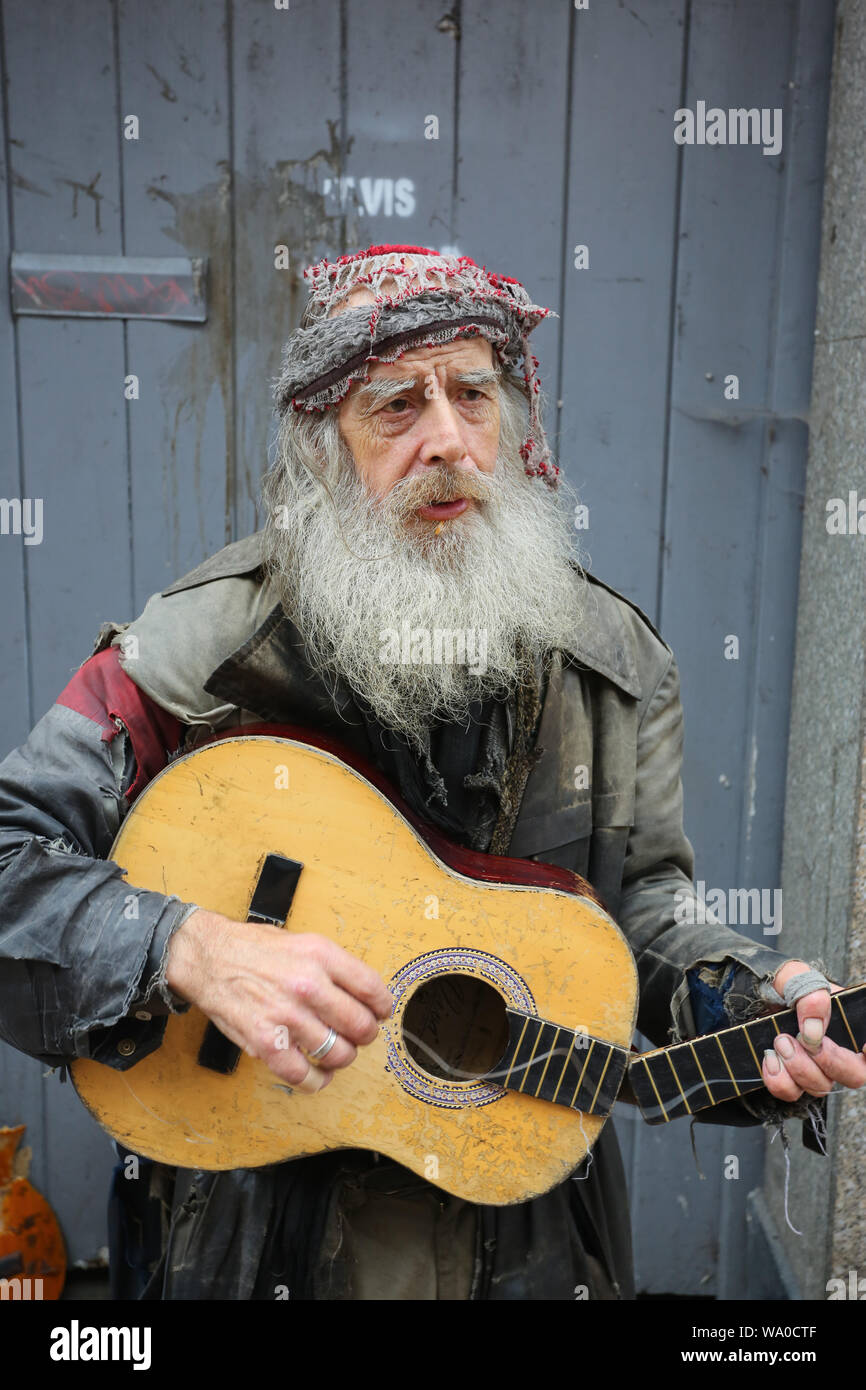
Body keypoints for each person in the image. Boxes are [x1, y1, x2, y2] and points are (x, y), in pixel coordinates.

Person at [0, 244, 863, 1301]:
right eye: (395, 406)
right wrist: (191, 946)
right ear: (325, 446)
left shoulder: (615, 662)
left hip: (533, 1248)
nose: (446, 440)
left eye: (471, 394)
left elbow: (640, 910)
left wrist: (738, 995)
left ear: (514, 423)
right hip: (245, 1246)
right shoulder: (202, 645)